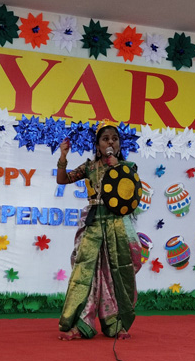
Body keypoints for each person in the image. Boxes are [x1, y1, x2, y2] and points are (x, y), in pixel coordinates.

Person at [55, 124, 142, 340]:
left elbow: (133, 195)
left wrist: (117, 168)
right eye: (105, 139)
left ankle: (116, 324)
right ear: (97, 145)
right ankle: (80, 324)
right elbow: (62, 180)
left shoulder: (128, 167)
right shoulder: (89, 167)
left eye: (114, 138)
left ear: (119, 144)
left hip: (117, 225)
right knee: (85, 273)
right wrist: (63, 156)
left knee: (118, 274)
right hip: (93, 223)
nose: (110, 142)